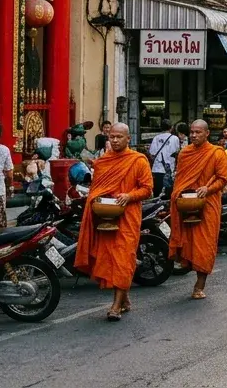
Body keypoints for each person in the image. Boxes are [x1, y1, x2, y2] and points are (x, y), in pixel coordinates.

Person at [76, 123, 153, 321]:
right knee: (111, 260)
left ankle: (116, 306)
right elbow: (97, 189)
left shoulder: (138, 161)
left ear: (128, 139)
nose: (115, 140)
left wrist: (129, 196)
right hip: (106, 218)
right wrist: (97, 199)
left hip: (127, 217)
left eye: (119, 137)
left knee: (123, 258)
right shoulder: (103, 162)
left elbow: (147, 189)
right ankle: (124, 298)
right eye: (112, 137)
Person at [167, 120, 227, 300]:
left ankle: (199, 285)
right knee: (187, 241)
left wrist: (207, 190)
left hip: (207, 204)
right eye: (192, 132)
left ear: (207, 133)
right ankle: (188, 263)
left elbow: (222, 179)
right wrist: (179, 193)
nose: (193, 135)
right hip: (186, 204)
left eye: (198, 132)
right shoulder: (185, 153)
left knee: (205, 245)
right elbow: (180, 179)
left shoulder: (216, 153)